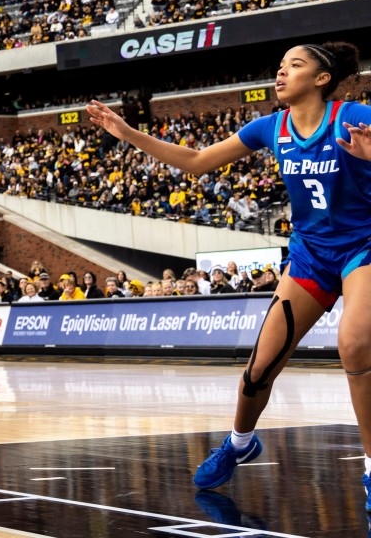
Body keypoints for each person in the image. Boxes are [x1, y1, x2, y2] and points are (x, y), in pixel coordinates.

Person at [87, 41, 371, 503]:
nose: (280, 74)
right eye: (279, 66)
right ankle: (239, 443)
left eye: (294, 66)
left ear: (322, 79)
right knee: (259, 368)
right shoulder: (269, 126)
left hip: (363, 246)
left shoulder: (353, 115)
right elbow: (198, 162)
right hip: (310, 257)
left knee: (354, 344)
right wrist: (129, 133)